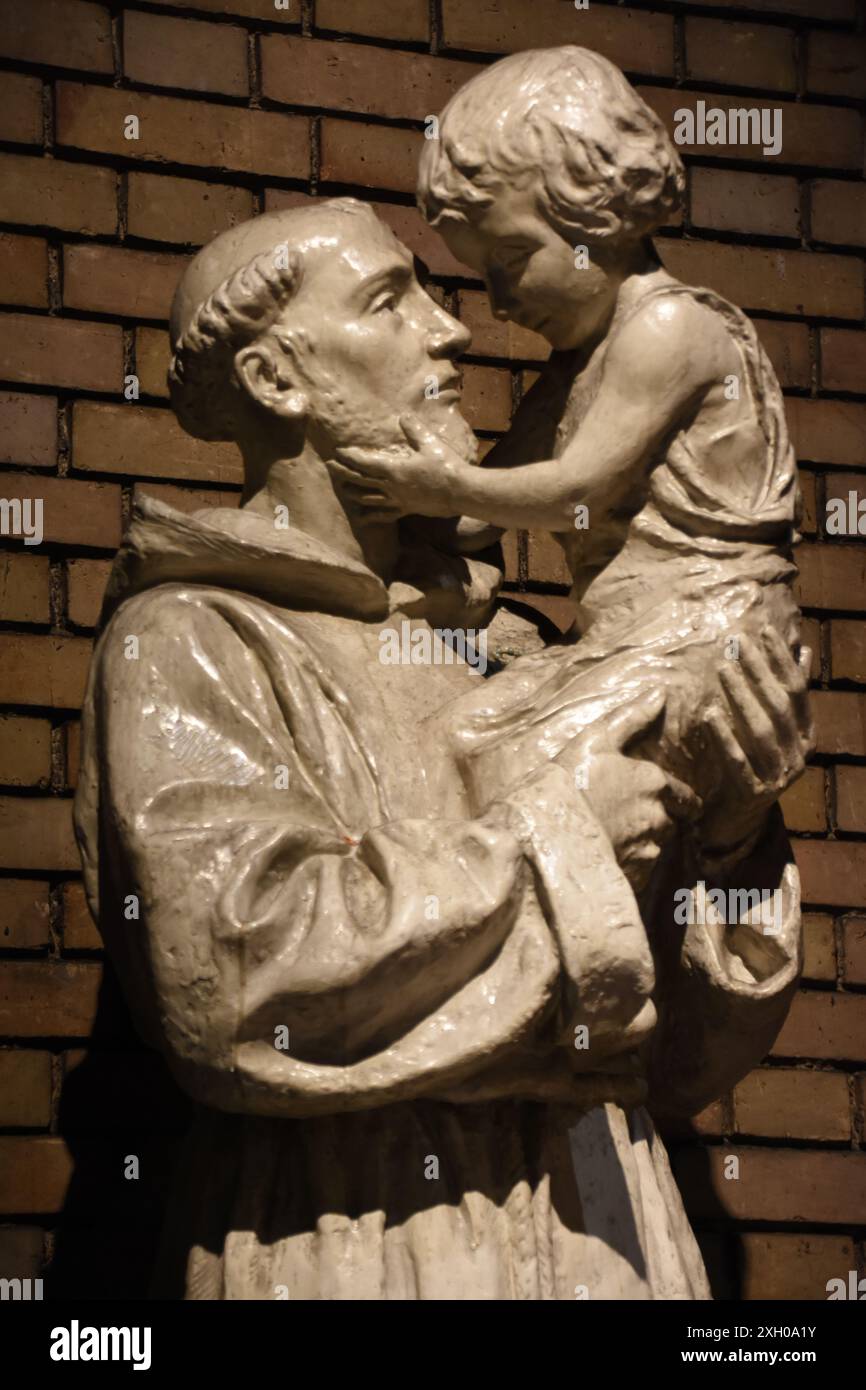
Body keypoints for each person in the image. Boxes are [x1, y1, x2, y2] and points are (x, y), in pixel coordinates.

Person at [74, 200, 812, 1299]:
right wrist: (561, 840)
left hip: (601, 1232)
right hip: (357, 1230)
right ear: (279, 380)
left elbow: (673, 1064)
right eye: (390, 299)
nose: (453, 329)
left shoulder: (522, 659)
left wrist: (729, 843)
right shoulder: (193, 639)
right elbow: (234, 977)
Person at [331, 47, 802, 857]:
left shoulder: (667, 329)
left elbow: (574, 489)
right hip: (637, 641)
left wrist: (435, 486)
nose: (497, 302)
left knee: (497, 754)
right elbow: (485, 509)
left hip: (710, 638)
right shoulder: (575, 367)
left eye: (509, 263)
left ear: (596, 216)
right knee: (473, 734)